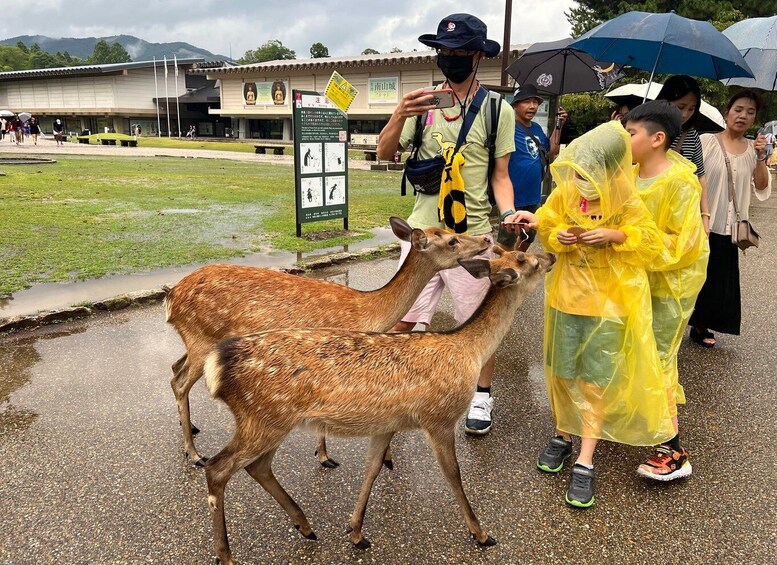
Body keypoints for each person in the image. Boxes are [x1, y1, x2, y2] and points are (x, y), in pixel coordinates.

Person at [504, 121, 671, 507]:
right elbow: (548, 218)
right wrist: (556, 231)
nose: (579, 180)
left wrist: (614, 236)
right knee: (562, 372)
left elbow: (649, 242)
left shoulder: (626, 201)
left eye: (586, 173)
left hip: (607, 309)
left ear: (608, 170)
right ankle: (563, 434)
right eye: (575, 172)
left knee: (595, 381)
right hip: (566, 301)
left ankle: (585, 459)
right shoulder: (566, 193)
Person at [376, 13, 516, 435]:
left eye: (458, 52)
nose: (449, 58)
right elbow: (385, 154)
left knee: (477, 323)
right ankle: (391, 390)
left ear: (477, 55)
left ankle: (482, 395)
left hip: (471, 238)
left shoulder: (497, 110)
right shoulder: (421, 105)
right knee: (401, 317)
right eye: (443, 51)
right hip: (422, 235)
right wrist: (400, 112)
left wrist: (508, 215)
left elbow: (500, 175)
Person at [623, 101, 709, 480]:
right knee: (633, 352)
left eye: (631, 134)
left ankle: (673, 450)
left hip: (671, 284)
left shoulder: (680, 181)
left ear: (657, 139)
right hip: (635, 277)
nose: (625, 140)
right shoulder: (629, 173)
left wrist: (624, 238)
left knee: (658, 358)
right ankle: (641, 422)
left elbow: (681, 244)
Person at [689, 89, 771, 347]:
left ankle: (703, 325)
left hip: (731, 225)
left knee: (720, 278)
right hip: (702, 220)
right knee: (695, 274)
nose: (743, 116)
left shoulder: (752, 149)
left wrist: (760, 158)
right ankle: (685, 320)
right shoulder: (705, 141)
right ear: (726, 112)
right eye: (738, 110)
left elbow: (761, 186)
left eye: (750, 112)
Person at [504, 83, 566, 251]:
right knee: (507, 241)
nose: (532, 106)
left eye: (535, 102)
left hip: (533, 194)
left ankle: (516, 263)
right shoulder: (508, 126)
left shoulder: (537, 128)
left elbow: (551, 150)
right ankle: (504, 270)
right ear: (515, 105)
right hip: (513, 196)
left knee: (528, 237)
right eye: (526, 101)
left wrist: (559, 124)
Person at [656, 75, 711, 235]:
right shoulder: (646, 131)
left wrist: (705, 216)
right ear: (666, 101)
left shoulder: (691, 135)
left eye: (691, 108)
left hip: (679, 213)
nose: (685, 114)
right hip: (648, 210)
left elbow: (700, 176)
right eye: (680, 107)